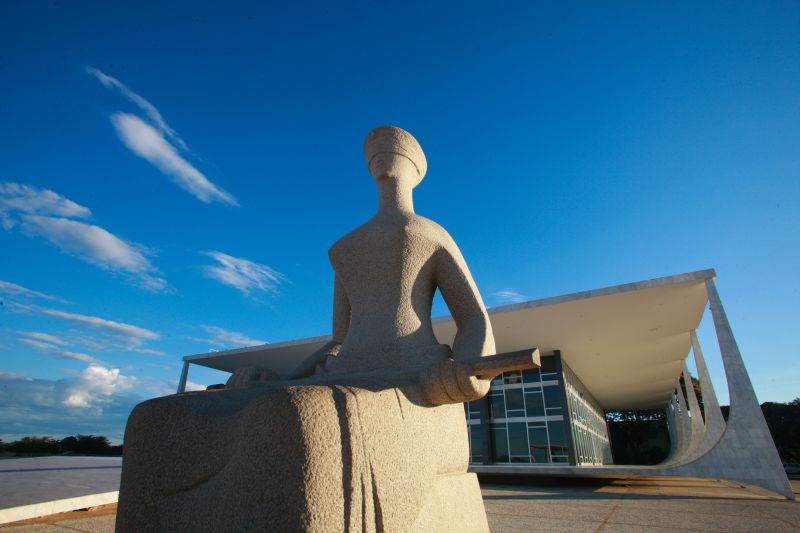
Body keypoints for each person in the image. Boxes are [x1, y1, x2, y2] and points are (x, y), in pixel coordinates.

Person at [117, 126, 496, 532]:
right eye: (373, 147)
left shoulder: (429, 233)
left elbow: (474, 318)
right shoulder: (346, 247)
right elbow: (339, 340)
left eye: (394, 146)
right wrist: (281, 379)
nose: (381, 150)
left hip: (412, 381)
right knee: (156, 419)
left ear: (417, 169)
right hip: (341, 375)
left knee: (295, 415)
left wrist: (465, 372)